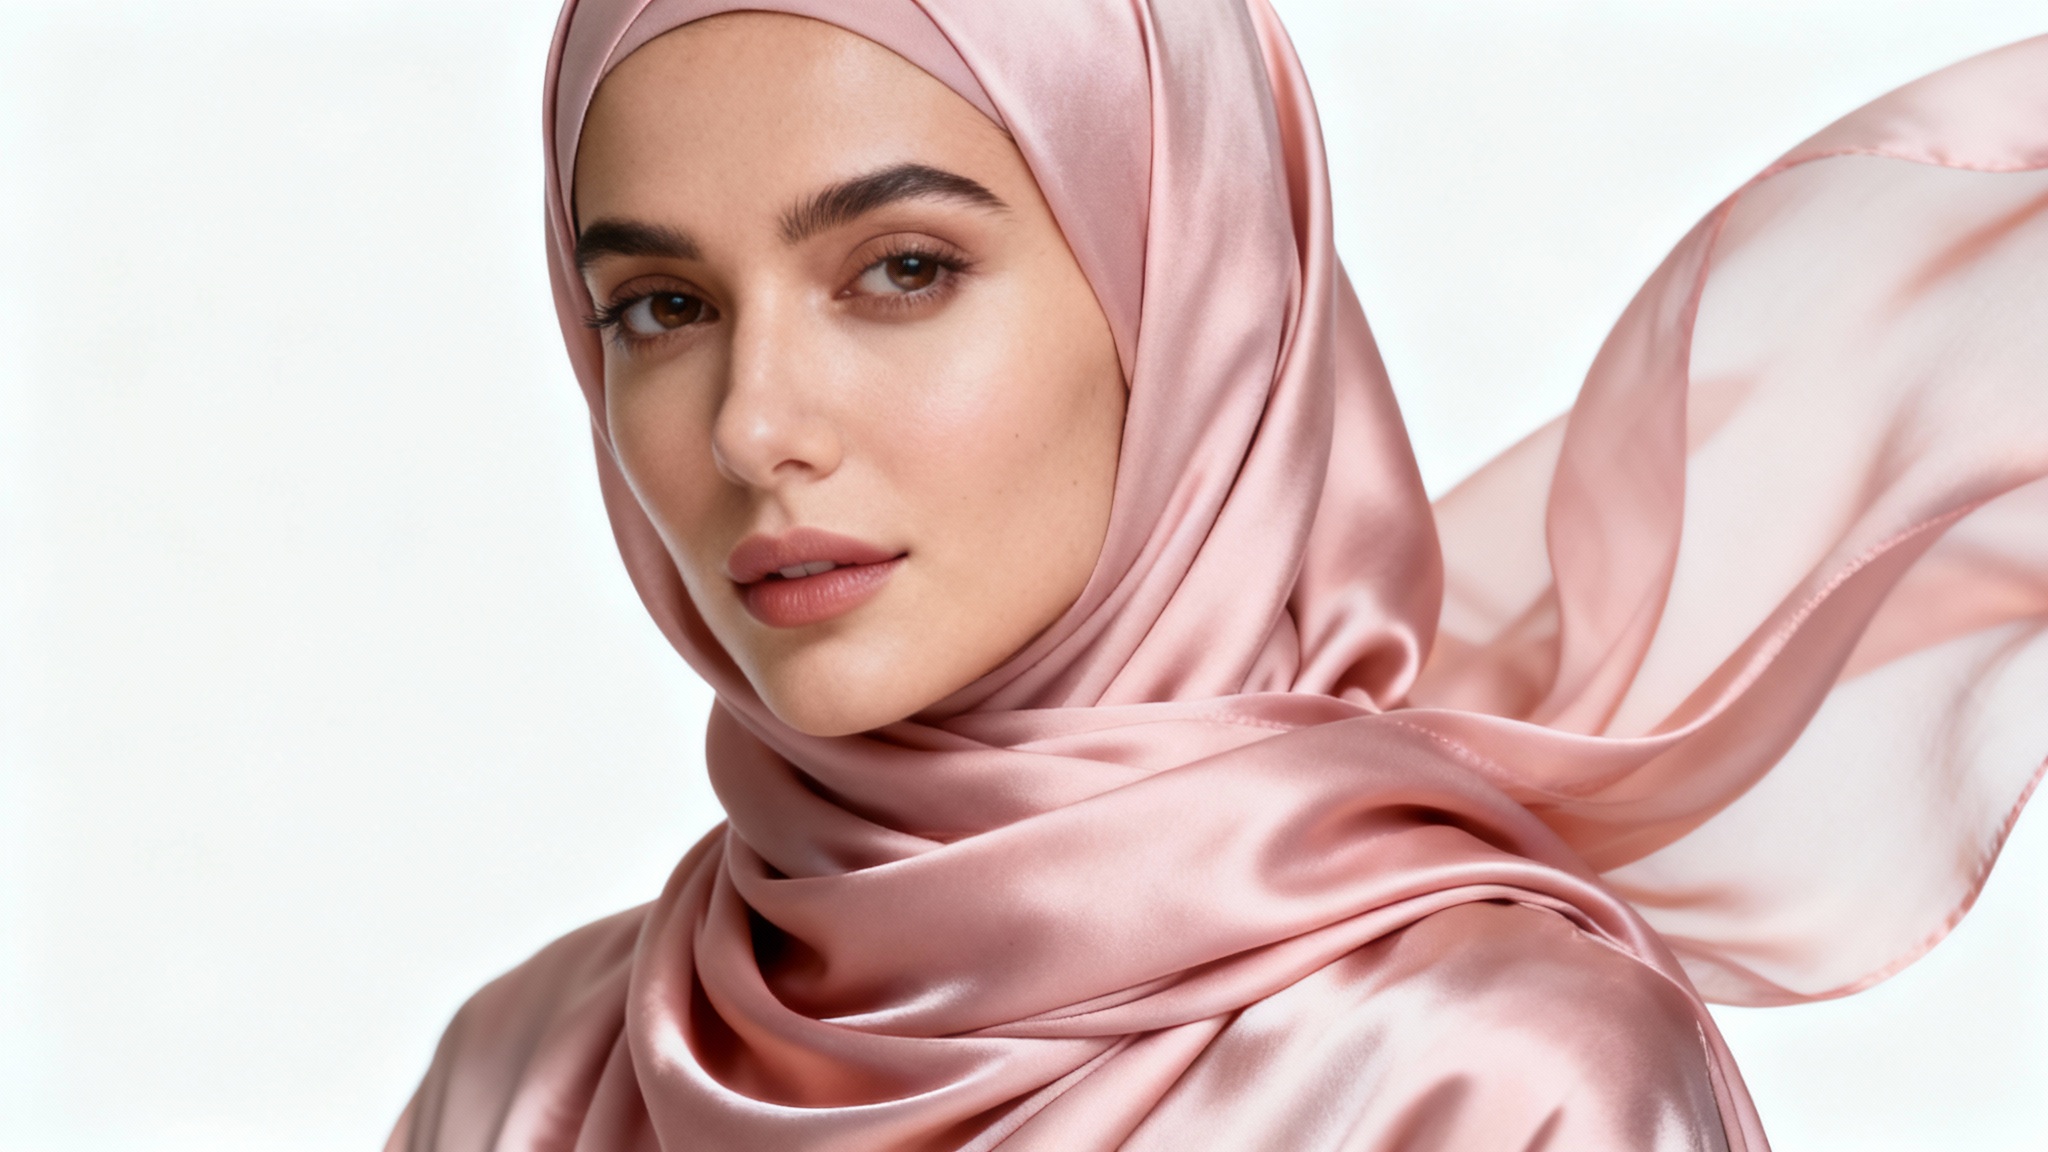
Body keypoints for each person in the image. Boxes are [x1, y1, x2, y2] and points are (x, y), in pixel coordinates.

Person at [387, 1, 2048, 1148]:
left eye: (901, 271)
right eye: (662, 308)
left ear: (1192, 307)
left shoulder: (1488, 1080)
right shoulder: (533, 1076)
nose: (753, 426)